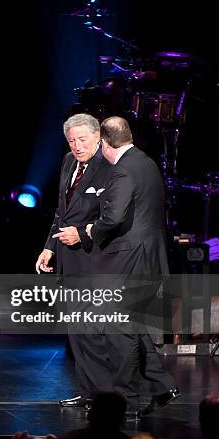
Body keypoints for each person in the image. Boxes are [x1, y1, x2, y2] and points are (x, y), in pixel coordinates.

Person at [86, 116, 179, 417]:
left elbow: (113, 218)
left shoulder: (123, 170)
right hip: (147, 255)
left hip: (130, 259)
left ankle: (124, 402)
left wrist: (92, 230)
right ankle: (163, 384)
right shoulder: (146, 162)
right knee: (133, 326)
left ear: (104, 142)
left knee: (118, 328)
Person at [35, 113, 113, 401]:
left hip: (94, 258)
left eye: (82, 139)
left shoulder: (108, 167)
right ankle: (86, 391)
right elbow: (61, 211)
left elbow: (111, 217)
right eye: (72, 140)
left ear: (98, 137)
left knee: (93, 331)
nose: (77, 146)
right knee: (77, 332)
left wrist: (82, 233)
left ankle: (105, 397)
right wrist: (49, 247)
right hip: (69, 259)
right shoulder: (69, 162)